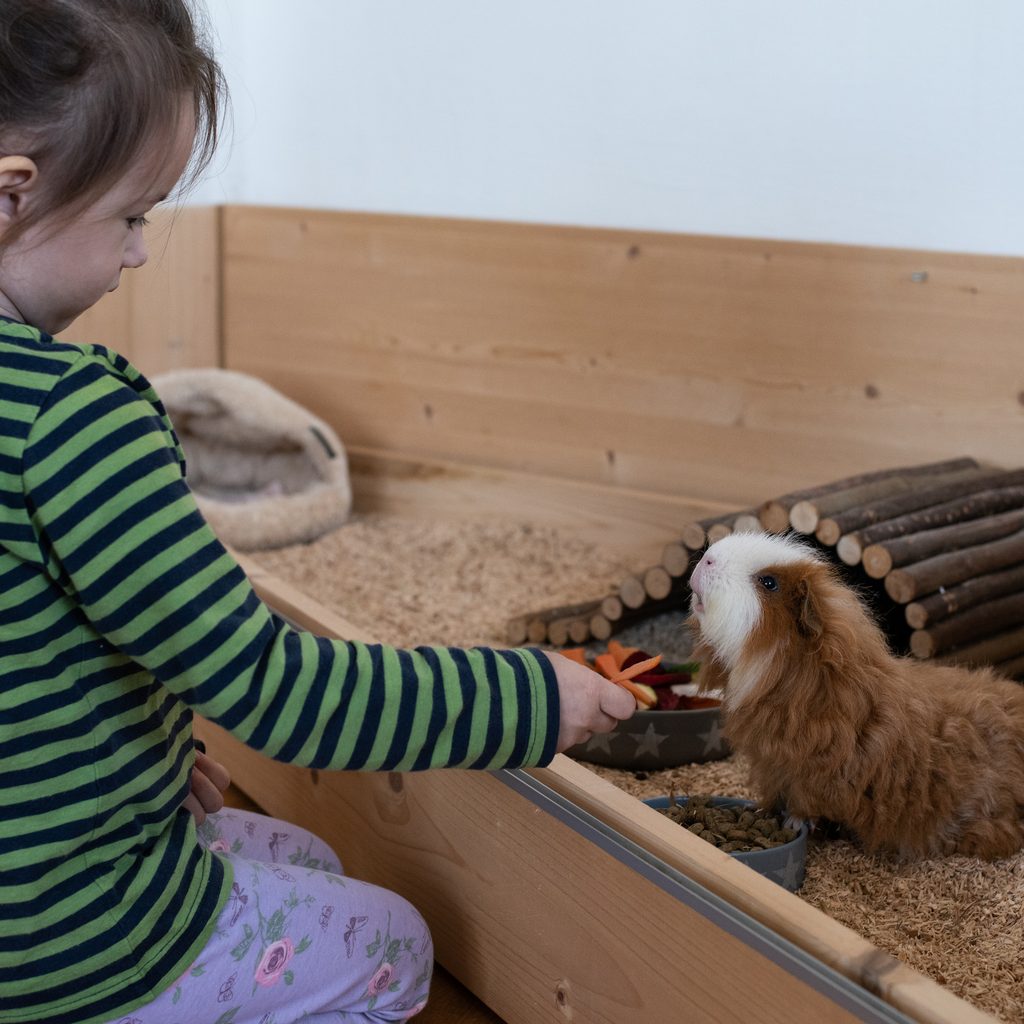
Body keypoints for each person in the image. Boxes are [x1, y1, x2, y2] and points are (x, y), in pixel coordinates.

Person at [0, 3, 637, 1023]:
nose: (139, 255)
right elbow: (270, 685)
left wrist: (146, 757)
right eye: (133, 215)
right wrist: (525, 700)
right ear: (11, 195)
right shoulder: (70, 422)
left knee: (306, 856)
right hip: (66, 947)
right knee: (392, 942)